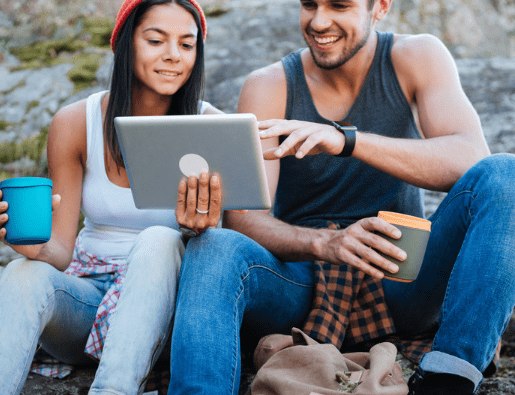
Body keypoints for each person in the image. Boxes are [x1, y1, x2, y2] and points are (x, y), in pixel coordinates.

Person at [167, 0, 515, 394]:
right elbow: (246, 221)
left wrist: (346, 140)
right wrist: (327, 243)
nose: (319, 21)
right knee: (212, 245)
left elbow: (471, 158)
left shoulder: (417, 55)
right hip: (304, 282)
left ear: (379, 7)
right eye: (309, 4)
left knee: (506, 173)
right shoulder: (269, 85)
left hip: (400, 275)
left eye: (339, 5)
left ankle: (448, 380)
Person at [0, 1, 223, 394]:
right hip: (86, 303)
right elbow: (61, 251)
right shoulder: (75, 123)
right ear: (123, 44)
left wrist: (202, 230)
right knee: (21, 274)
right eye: (156, 40)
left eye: (187, 45)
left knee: (158, 238)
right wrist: (32, 248)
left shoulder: (213, 129)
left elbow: (230, 253)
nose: (173, 55)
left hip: (165, 313)